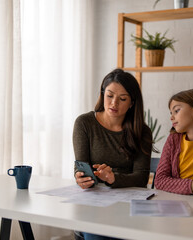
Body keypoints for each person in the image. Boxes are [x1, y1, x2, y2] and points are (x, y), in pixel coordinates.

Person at [73, 68, 152, 240]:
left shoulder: (142, 131)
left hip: (130, 204)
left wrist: (112, 178)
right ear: (102, 94)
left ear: (132, 103)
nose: (114, 103)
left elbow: (142, 177)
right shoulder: (84, 123)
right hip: (94, 203)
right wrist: (81, 178)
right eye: (109, 95)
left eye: (122, 99)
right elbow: (80, 166)